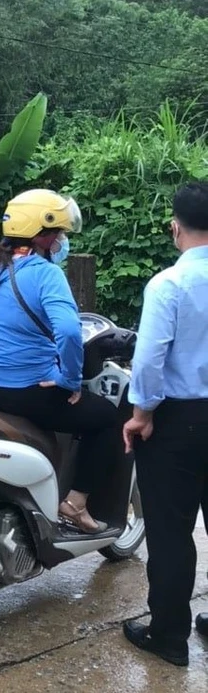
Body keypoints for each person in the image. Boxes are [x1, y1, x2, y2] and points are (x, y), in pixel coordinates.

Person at [0, 189, 122, 533]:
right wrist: (69, 378)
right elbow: (68, 332)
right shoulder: (45, 274)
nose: (62, 241)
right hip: (26, 391)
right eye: (60, 234)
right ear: (43, 236)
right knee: (107, 418)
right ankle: (76, 503)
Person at [121, 182, 208, 667]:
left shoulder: (169, 284)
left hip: (180, 422)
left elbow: (150, 358)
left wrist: (141, 414)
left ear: (175, 226)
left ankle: (169, 637)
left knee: (172, 532)